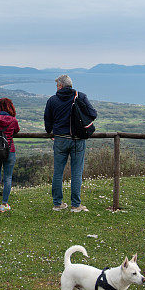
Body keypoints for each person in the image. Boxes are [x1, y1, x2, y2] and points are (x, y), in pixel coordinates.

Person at [44, 75, 97, 212]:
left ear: (60, 86)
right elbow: (93, 114)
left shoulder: (52, 100)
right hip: (78, 139)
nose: (56, 88)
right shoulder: (81, 96)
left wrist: (51, 132)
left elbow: (47, 122)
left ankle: (57, 203)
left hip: (60, 139)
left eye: (57, 85)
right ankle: (75, 205)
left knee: (58, 172)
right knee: (76, 172)